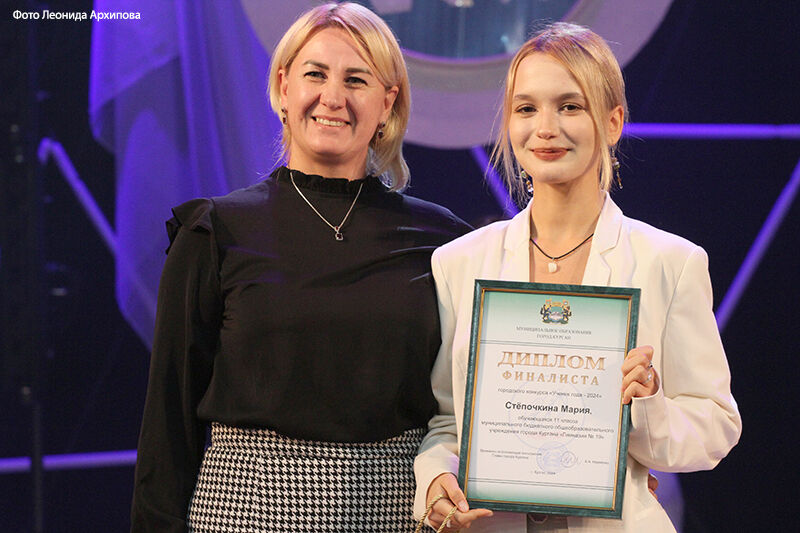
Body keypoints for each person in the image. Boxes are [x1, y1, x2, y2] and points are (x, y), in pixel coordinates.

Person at [129, 3, 470, 532]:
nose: (332, 97)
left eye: (356, 79)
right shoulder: (215, 233)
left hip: (397, 513)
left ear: (387, 103)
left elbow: (473, 399)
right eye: (315, 74)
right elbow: (167, 423)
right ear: (283, 87)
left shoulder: (443, 241)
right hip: (247, 513)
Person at [414, 22, 742, 532]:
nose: (545, 128)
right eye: (526, 109)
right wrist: (437, 478)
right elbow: (448, 421)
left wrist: (645, 406)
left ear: (612, 122)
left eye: (569, 106)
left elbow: (715, 426)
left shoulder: (669, 261)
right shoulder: (460, 262)